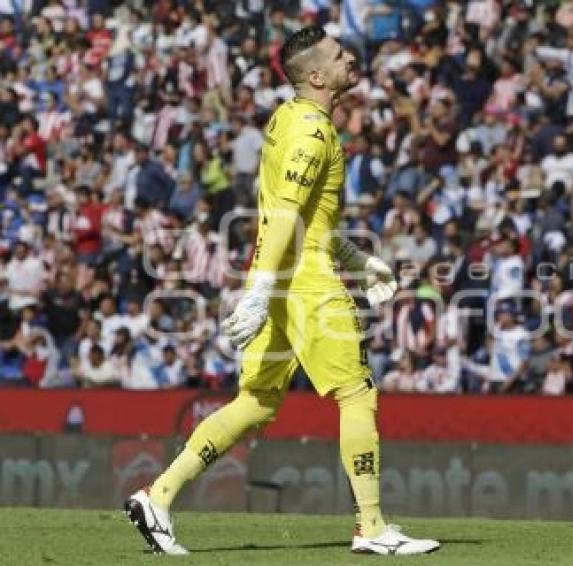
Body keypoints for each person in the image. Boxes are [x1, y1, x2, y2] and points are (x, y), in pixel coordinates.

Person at [123, 27, 439, 556]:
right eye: (339, 56)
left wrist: (356, 260)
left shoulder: (287, 118)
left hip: (278, 274)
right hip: (303, 281)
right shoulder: (314, 135)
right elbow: (289, 215)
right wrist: (266, 286)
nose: (349, 59)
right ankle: (373, 527)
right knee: (356, 393)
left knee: (256, 401)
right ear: (317, 75)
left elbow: (298, 214)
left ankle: (157, 497)